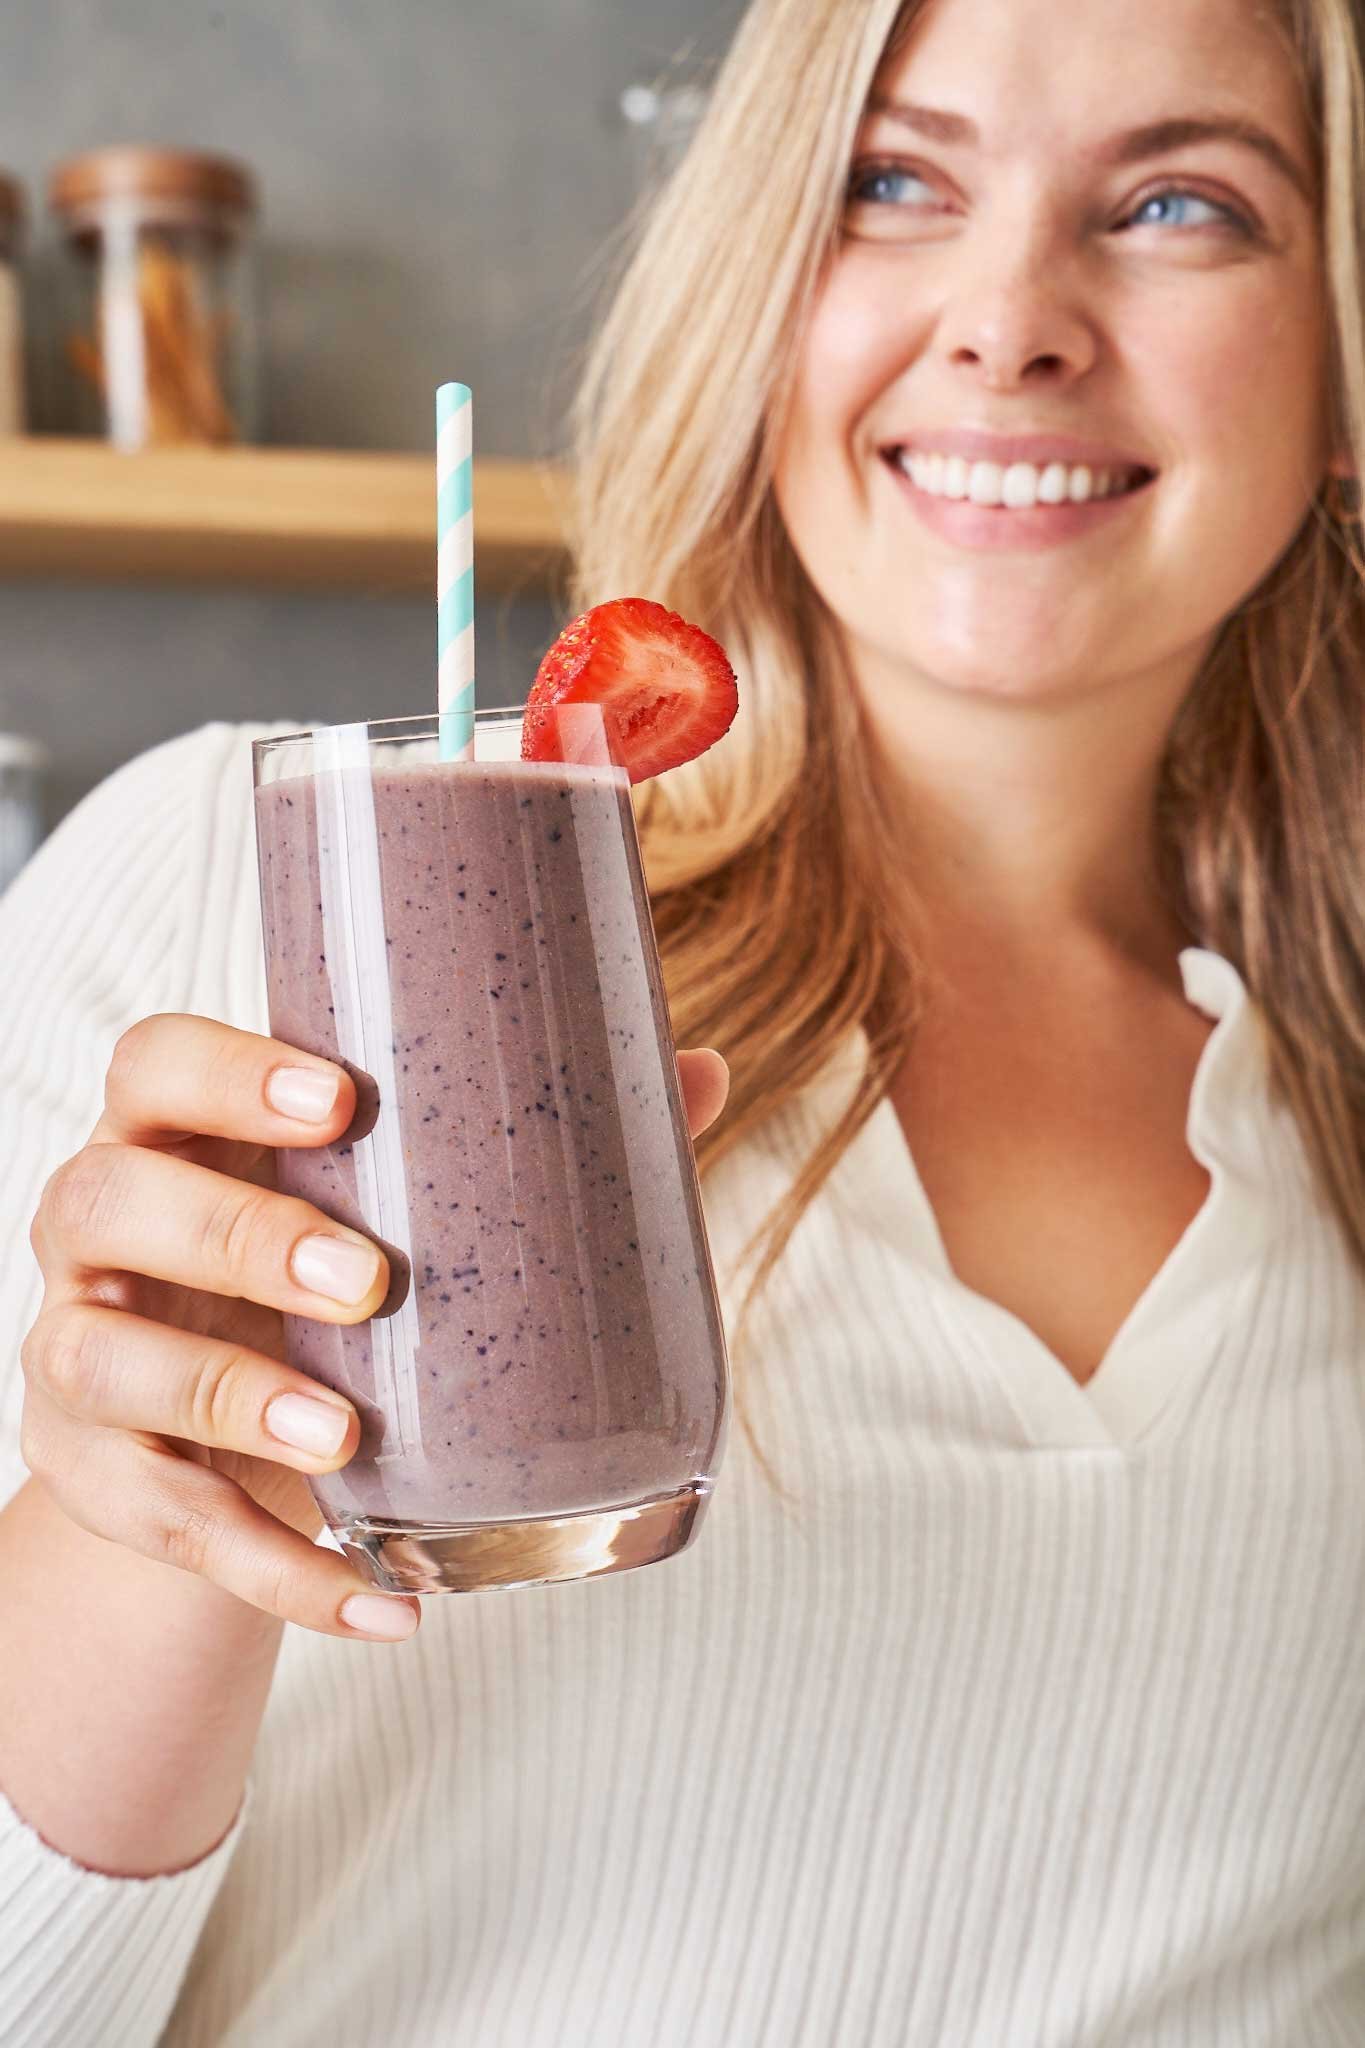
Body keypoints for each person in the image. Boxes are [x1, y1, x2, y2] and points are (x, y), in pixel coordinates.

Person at [3, 0, 1364, 2037]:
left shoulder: (1326, 1098)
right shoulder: (262, 895)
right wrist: (136, 1536)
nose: (1009, 319)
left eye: (1176, 202)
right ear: (756, 286)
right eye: (889, 181)